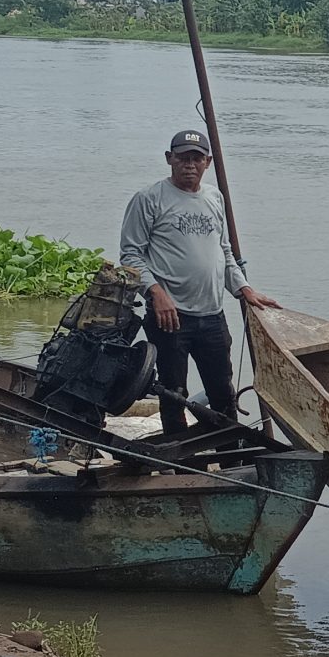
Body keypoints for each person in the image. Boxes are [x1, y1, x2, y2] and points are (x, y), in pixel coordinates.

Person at [117, 129, 277, 435]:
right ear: (169, 159)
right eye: (182, 158)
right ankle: (177, 464)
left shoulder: (215, 197)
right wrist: (156, 293)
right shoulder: (149, 199)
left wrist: (244, 289)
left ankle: (229, 457)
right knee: (173, 393)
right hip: (170, 318)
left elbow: (225, 251)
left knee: (223, 393)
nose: (189, 164)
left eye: (196, 158)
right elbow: (130, 256)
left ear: (208, 162)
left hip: (212, 317)